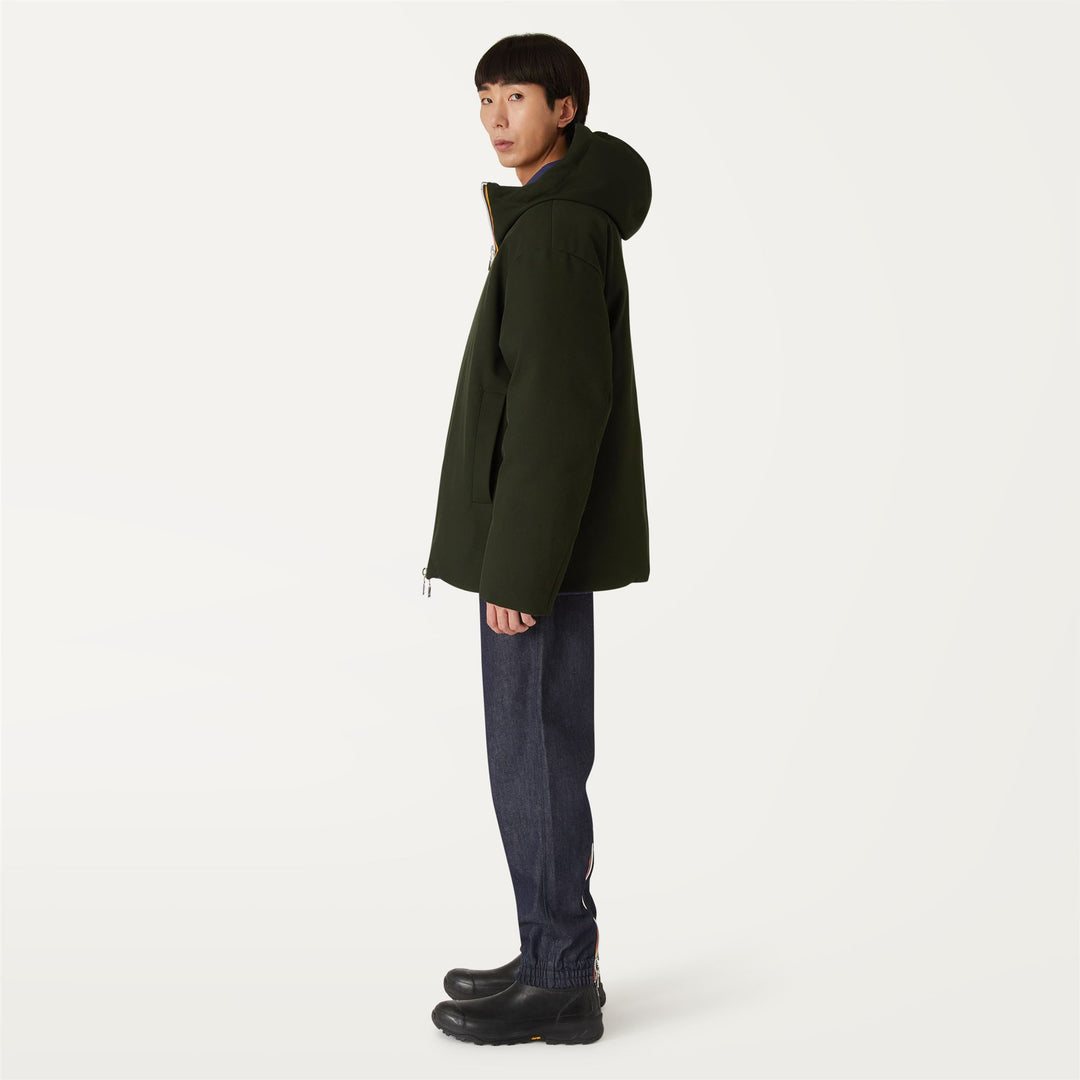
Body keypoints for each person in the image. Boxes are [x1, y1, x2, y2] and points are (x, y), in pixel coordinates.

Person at [422, 31, 651, 1046]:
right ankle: (550, 950)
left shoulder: (555, 228)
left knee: (536, 757)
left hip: (532, 555)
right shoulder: (552, 217)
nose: (495, 118)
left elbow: (558, 411)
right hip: (534, 543)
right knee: (536, 751)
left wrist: (518, 569)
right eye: (484, 98)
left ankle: (560, 976)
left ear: (566, 108)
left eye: (515, 97)